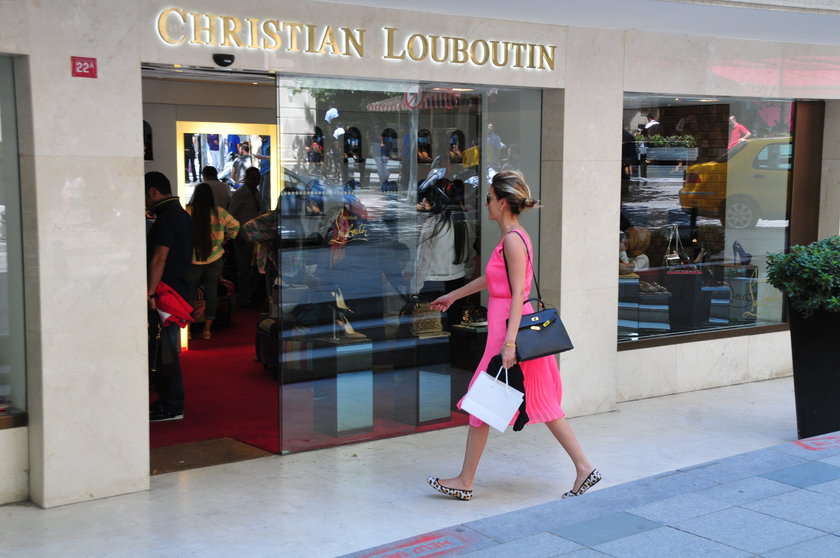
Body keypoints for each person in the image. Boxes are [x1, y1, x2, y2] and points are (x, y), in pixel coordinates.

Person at [426, 171, 600, 501]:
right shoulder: (511, 238)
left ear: (503, 203)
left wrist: (509, 344)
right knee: (535, 401)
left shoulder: (513, 240)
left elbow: (519, 292)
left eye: (489, 198)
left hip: (509, 332)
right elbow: (494, 279)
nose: (486, 204)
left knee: (485, 402)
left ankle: (466, 480)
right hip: (508, 330)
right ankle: (583, 468)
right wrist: (454, 296)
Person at [146, 171, 193, 422]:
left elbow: (159, 258)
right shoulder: (182, 215)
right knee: (166, 347)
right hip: (178, 288)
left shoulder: (166, 218)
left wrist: (151, 291)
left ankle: (172, 404)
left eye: (145, 196)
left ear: (153, 192)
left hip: (165, 292)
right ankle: (168, 401)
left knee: (165, 349)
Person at [186, 183, 239, 340]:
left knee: (189, 293)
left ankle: (188, 330)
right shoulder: (219, 212)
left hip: (194, 259)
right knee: (211, 293)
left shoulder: (189, 211)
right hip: (215, 258)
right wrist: (226, 238)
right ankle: (207, 330)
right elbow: (236, 225)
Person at [229, 167, 266, 307]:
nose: (256, 181)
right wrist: (236, 234)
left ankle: (250, 295)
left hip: (255, 236)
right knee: (243, 269)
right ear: (247, 178)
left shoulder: (256, 193)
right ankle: (244, 297)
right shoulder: (240, 194)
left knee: (256, 269)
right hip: (243, 236)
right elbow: (230, 215)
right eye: (253, 178)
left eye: (258, 178)